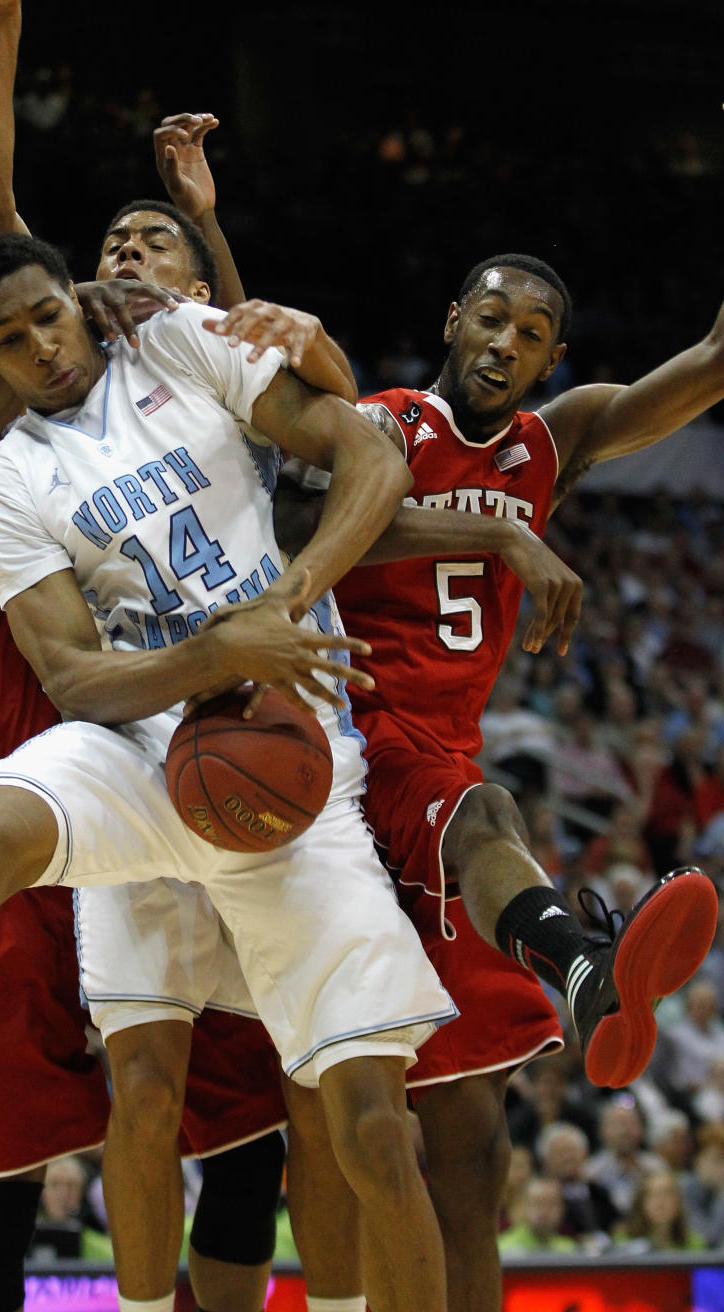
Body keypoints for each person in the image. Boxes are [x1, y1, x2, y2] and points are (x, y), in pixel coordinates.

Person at [0, 219, 459, 1312]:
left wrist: (281, 606)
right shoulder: (3, 480)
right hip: (148, 745)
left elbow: (370, 454)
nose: (39, 345)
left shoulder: (179, 341)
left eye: (48, 316)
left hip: (289, 759)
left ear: (79, 304)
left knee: (373, 1122)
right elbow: (76, 677)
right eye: (6, 339)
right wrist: (213, 652)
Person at [278, 250, 720, 1311]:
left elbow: (712, 359)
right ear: (452, 319)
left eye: (530, 334)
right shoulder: (382, 423)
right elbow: (305, 529)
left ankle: (576, 969)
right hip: (357, 742)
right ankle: (581, 967)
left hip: (445, 759)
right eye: (489, 319)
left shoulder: (548, 444)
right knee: (490, 810)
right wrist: (502, 538)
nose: (503, 343)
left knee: (473, 1157)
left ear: (551, 359)